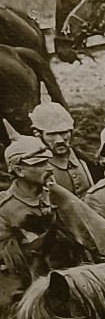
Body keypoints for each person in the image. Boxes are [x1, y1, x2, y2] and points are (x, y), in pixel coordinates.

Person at [0, 120, 56, 281]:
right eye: (40, 163)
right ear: (19, 170)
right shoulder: (5, 209)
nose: (49, 168)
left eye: (48, 161)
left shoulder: (54, 194)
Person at [28, 102, 100, 197]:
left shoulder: (87, 161)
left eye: (64, 132)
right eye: (52, 134)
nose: (60, 140)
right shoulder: (34, 170)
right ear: (37, 133)